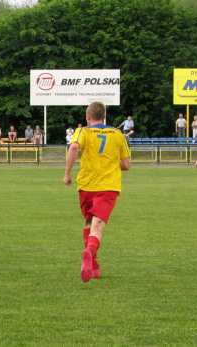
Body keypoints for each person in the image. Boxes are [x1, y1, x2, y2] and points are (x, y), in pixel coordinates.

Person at [63, 101, 131, 282]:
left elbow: (75, 147)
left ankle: (94, 266)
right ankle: (90, 251)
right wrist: (109, 163)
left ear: (88, 117)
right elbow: (126, 165)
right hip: (108, 186)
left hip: (86, 185)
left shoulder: (83, 131)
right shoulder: (117, 134)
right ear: (105, 117)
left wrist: (67, 173)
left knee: (88, 222)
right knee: (98, 225)